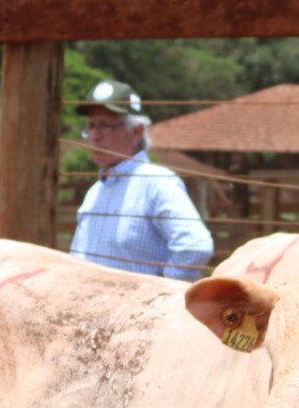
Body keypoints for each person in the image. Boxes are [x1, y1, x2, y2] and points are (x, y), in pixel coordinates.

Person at [68, 80, 212, 280]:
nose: (95, 136)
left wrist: (162, 292)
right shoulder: (95, 191)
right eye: (91, 126)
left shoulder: (157, 183)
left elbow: (195, 246)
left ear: (136, 132)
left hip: (136, 309)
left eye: (104, 126)